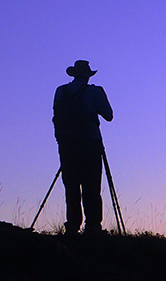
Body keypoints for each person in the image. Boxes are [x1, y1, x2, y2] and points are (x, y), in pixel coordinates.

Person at [53, 60, 113, 235]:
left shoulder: (61, 91)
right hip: (90, 143)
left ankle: (72, 226)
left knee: (71, 186)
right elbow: (109, 115)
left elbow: (56, 116)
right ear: (87, 75)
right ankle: (93, 227)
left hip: (67, 145)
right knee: (92, 186)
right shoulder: (94, 92)